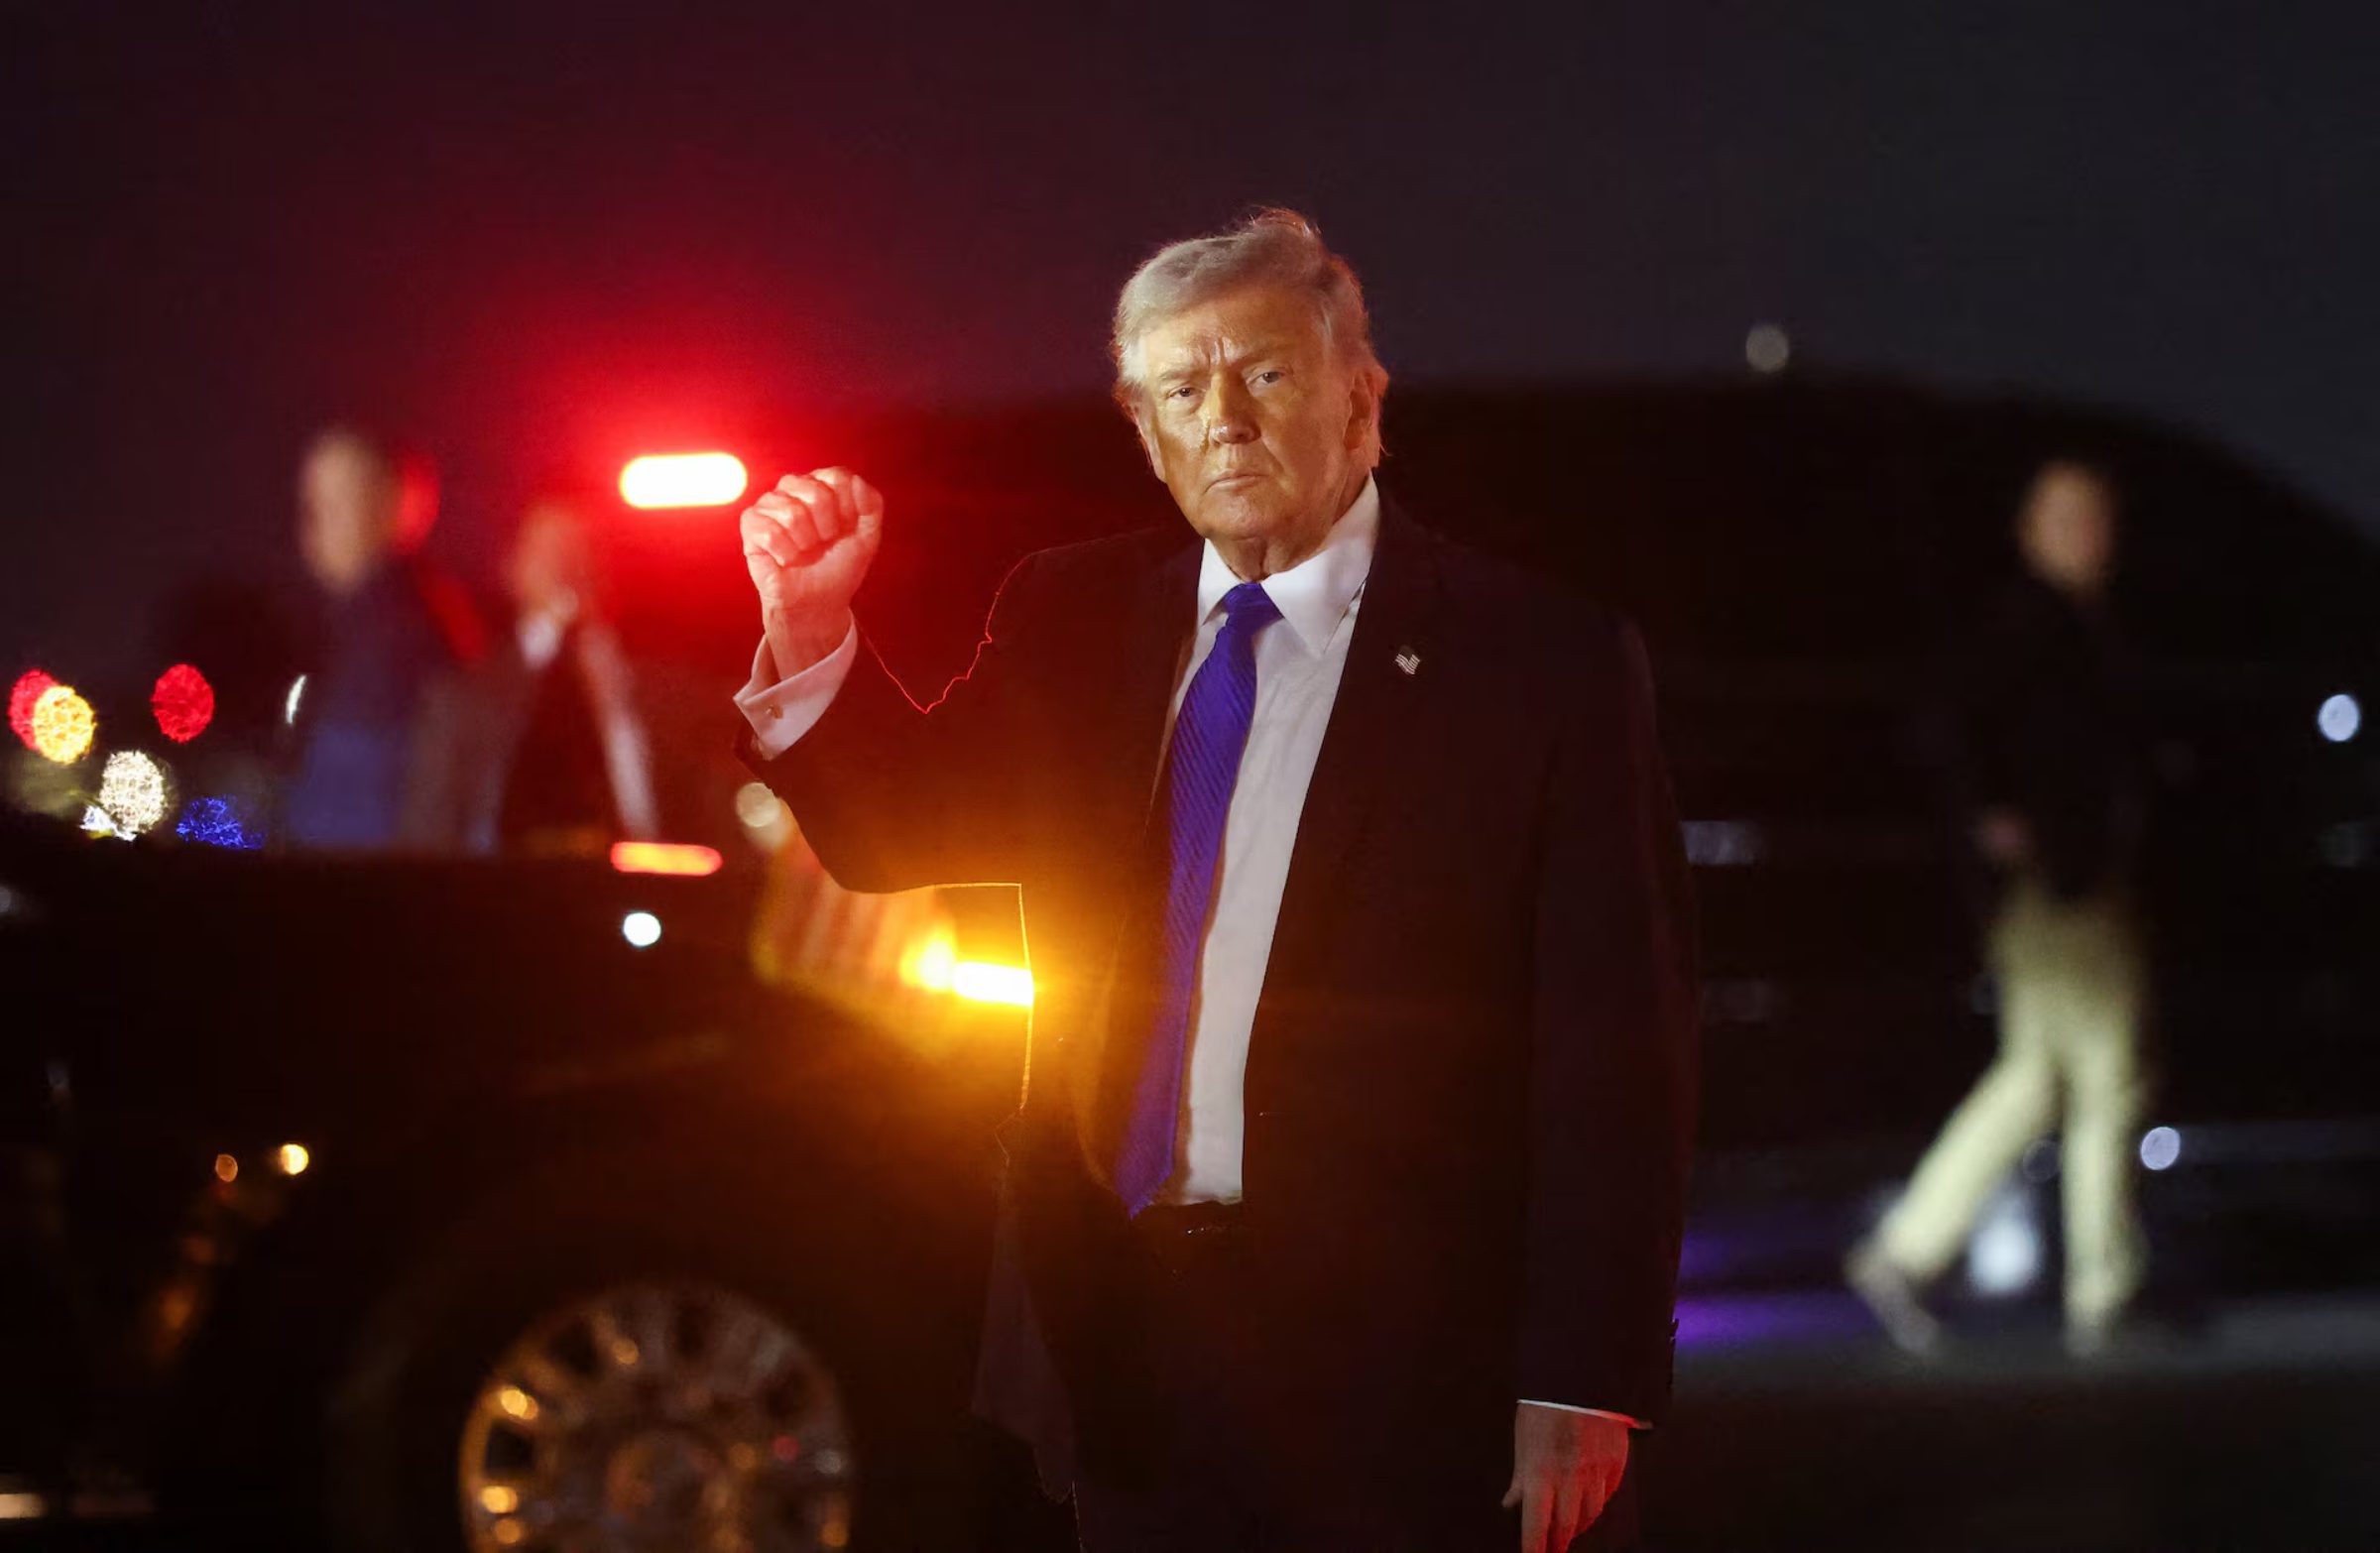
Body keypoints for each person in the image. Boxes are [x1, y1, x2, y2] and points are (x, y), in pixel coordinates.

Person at [733, 210, 1698, 1551]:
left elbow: (1615, 1051)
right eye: (1182, 388)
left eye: (1266, 372)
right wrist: (813, 625)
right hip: (1130, 1345)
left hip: (1417, 1366)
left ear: (1362, 397)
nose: (1225, 417)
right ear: (1145, 431)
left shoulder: (1538, 661)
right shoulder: (1074, 612)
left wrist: (1584, 1376)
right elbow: (905, 827)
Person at [1848, 459, 2152, 1356]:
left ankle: (1905, 1251)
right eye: (2067, 518)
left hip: (2068, 877)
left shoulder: (2081, 627)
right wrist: (1996, 819)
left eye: (2097, 517)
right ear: (2031, 532)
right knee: (2111, 1069)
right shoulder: (2029, 627)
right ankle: (2106, 1291)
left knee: (2038, 1077)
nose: (2089, 534)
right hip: (2062, 885)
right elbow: (1950, 726)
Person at [409, 494, 658, 855]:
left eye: (581, 548)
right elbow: (429, 836)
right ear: (511, 565)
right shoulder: (463, 699)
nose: (565, 566)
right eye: (547, 550)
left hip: (648, 889)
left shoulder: (659, 691)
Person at [282, 426, 485, 849]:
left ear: (398, 507)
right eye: (314, 503)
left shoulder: (402, 634)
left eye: (341, 501)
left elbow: (357, 809)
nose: (317, 522)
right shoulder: (353, 624)